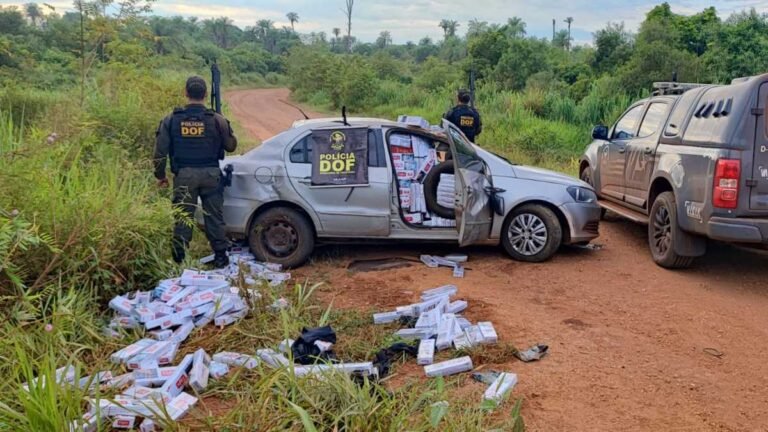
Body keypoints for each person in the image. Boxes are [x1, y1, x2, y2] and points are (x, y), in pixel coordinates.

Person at [154, 76, 238, 268]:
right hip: (211, 175)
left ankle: (179, 258)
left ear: (186, 92)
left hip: (184, 175)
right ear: (206, 94)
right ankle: (220, 256)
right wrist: (224, 125)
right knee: (214, 216)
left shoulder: (171, 119)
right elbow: (231, 146)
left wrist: (160, 176)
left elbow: (160, 151)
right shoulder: (217, 119)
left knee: (183, 215)